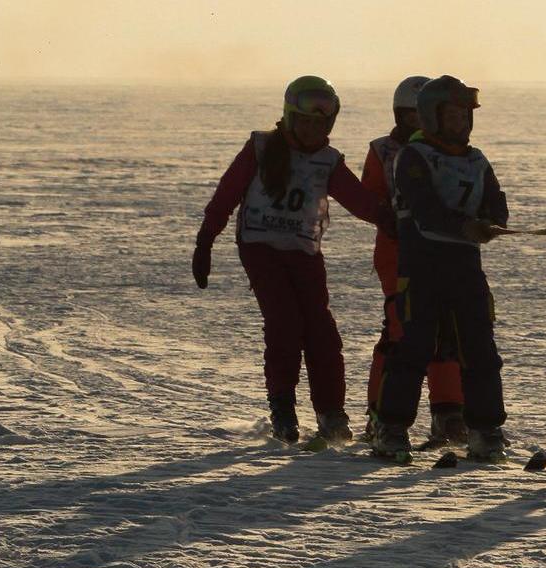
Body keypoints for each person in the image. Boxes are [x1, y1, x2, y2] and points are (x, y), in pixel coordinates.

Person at [194, 75, 390, 447]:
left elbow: (360, 201)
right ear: (289, 116)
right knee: (285, 323)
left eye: (321, 123)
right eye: (305, 121)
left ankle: (331, 412)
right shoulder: (262, 148)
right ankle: (282, 407)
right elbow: (227, 193)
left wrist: (392, 219)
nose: (313, 129)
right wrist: (206, 240)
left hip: (302, 251)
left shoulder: (328, 162)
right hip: (260, 247)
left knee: (321, 332)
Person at [370, 75, 512, 462]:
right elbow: (425, 210)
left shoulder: (476, 159)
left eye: (465, 116)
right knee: (414, 347)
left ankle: (485, 429)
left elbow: (496, 203)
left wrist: (490, 222)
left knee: (479, 349)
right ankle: (391, 426)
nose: (461, 123)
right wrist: (466, 226)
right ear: (432, 117)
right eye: (452, 115)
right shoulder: (412, 157)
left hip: (465, 268)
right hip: (422, 267)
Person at [360, 75, 469, 447]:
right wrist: (390, 218)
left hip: (445, 251)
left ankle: (449, 413)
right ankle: (380, 414)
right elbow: (368, 198)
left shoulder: (455, 151)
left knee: (446, 330)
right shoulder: (384, 151)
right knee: (401, 330)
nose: (421, 125)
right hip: (398, 253)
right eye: (413, 117)